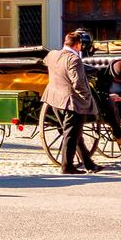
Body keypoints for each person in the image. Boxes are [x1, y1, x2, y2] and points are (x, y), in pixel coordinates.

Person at [44, 28, 101, 174]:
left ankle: (89, 164)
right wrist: (87, 98)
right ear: (78, 45)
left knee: (75, 134)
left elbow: (45, 63)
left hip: (54, 99)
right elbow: (78, 82)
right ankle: (67, 166)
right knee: (71, 135)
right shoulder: (74, 59)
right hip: (72, 102)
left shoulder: (52, 55)